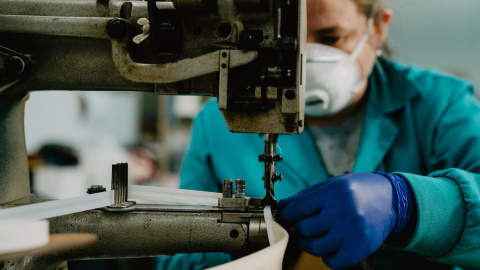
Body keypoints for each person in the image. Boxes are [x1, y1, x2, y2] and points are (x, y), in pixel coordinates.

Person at [159, 0, 480, 269]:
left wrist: (409, 205)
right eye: (286, 41)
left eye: (330, 37)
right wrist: (235, 247)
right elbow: (178, 257)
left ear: (378, 27)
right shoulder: (217, 123)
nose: (305, 60)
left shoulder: (442, 104)